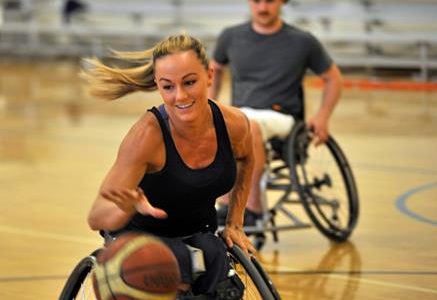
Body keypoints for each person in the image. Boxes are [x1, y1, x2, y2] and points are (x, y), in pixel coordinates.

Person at [84, 33, 256, 299]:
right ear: (157, 85)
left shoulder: (234, 124)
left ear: (210, 75)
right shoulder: (146, 137)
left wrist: (235, 221)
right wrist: (123, 209)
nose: (180, 96)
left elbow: (247, 158)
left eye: (189, 82)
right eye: (168, 87)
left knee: (217, 263)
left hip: (197, 230)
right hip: (141, 239)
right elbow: (96, 216)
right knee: (174, 272)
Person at [209, 0, 343, 225]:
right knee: (225, 123)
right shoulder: (230, 36)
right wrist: (210, 103)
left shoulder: (302, 41)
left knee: (247, 125)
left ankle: (252, 209)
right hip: (242, 113)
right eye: (256, 1)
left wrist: (323, 116)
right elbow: (214, 70)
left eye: (270, 1)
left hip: (282, 117)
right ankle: (224, 204)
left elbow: (334, 78)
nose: (262, 7)